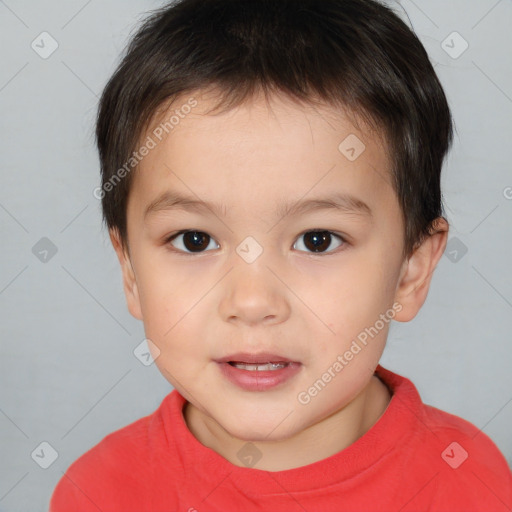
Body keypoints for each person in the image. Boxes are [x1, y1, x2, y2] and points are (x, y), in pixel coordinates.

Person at [49, 0, 512, 510]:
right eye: (194, 240)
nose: (252, 301)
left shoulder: (470, 481)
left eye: (318, 239)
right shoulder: (99, 492)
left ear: (410, 272)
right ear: (130, 270)